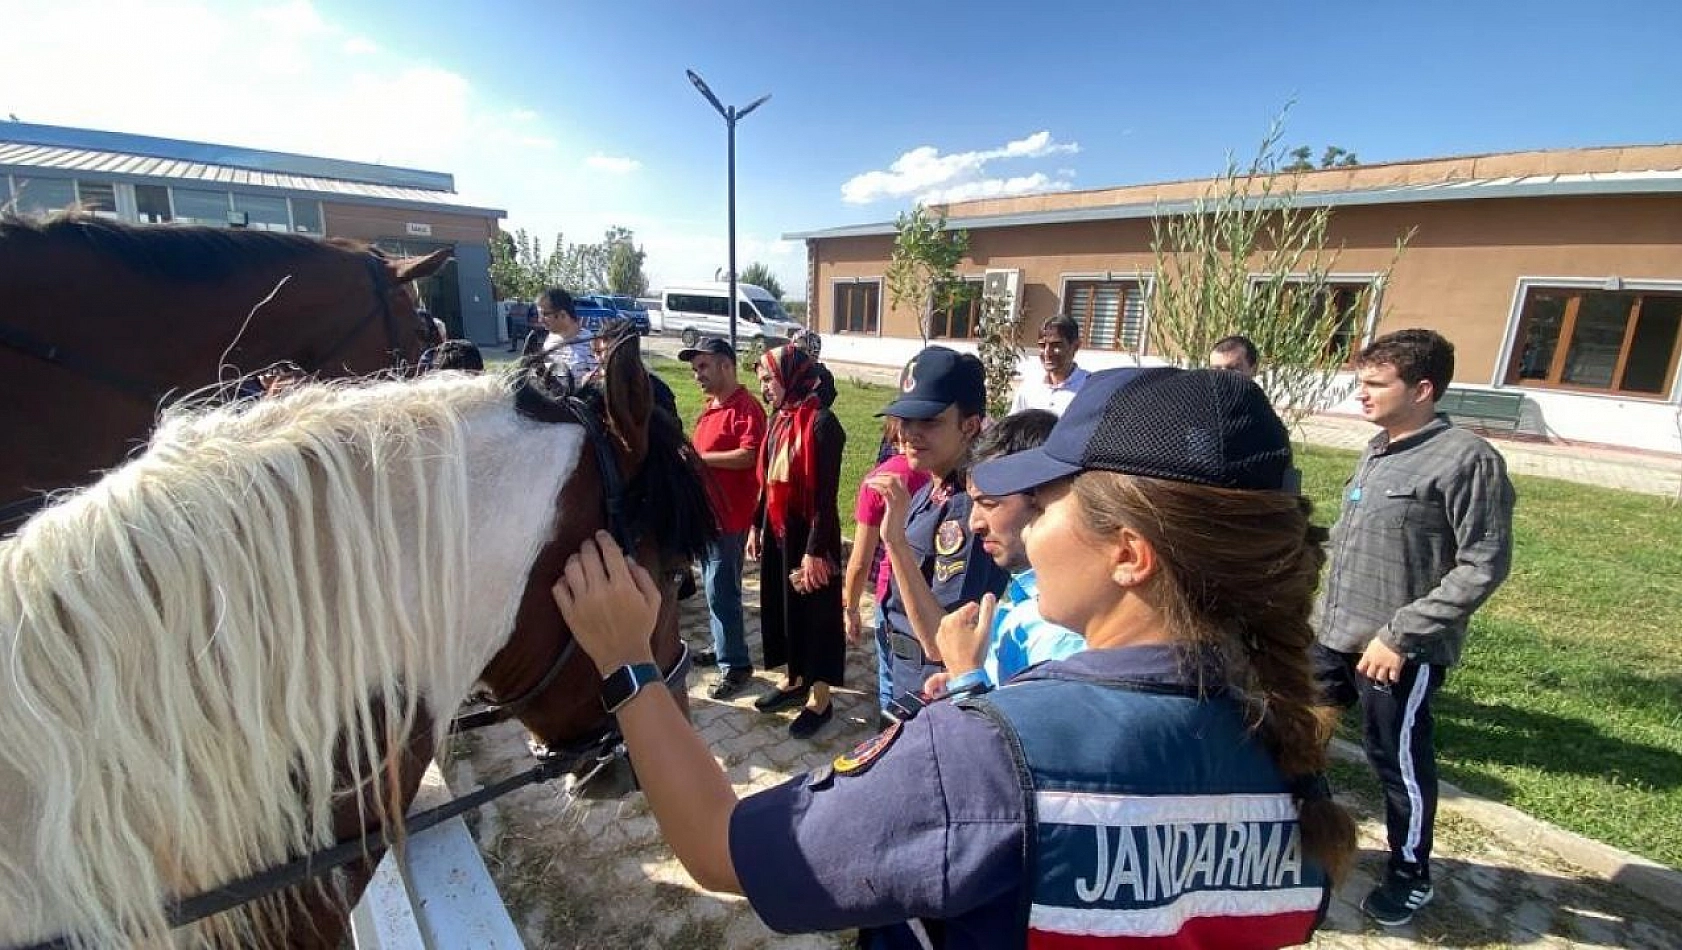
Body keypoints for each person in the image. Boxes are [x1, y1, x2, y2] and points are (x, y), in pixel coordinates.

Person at [545, 365, 1352, 949]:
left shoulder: (986, 752)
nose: (1026, 528)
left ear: (1130, 554)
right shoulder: (1282, 744)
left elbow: (720, 849)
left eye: (1046, 503)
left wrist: (628, 665)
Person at [1313, 328, 1514, 927]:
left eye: (1375, 383)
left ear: (1422, 389)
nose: (1361, 393)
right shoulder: (1378, 448)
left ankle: (1410, 871)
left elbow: (1484, 565)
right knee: (1298, 736)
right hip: (1332, 635)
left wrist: (1401, 633)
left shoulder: (1467, 460)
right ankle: (1304, 839)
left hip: (1399, 651)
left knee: (1395, 760)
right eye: (1361, 381)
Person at [866, 346, 1009, 706]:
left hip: (932, 687)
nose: (910, 433)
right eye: (906, 420)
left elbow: (938, 639)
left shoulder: (968, 511)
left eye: (929, 421)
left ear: (970, 425)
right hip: (903, 668)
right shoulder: (934, 485)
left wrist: (894, 540)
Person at [924, 409, 1084, 696]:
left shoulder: (1061, 634)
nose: (974, 523)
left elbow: (1023, 739)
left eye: (989, 503)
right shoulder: (1027, 597)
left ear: (1043, 500)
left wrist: (966, 681)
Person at [746, 344, 847, 738]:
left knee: (817, 614)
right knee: (784, 608)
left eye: (769, 379)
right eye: (762, 381)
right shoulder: (780, 418)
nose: (765, 388)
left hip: (811, 537)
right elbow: (766, 479)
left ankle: (820, 699)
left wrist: (814, 552)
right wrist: (757, 526)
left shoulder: (823, 424)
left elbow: (826, 496)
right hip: (779, 530)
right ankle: (794, 680)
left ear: (791, 376)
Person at [680, 337, 768, 700]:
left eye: (703, 366)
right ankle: (722, 648)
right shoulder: (711, 406)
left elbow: (750, 455)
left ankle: (736, 666)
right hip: (708, 517)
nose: (697, 374)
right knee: (715, 592)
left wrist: (701, 460)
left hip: (731, 520)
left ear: (726, 365)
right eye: (695, 368)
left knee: (722, 592)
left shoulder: (747, 409)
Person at [841, 419, 931, 725]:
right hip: (935, 591)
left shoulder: (880, 481)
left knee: (891, 679)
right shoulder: (944, 472)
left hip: (893, 594)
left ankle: (886, 741)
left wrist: (851, 608)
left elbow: (859, 560)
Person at [591, 317, 678, 415]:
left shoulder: (658, 390)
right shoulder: (594, 390)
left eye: (606, 351)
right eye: (596, 352)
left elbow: (672, 427)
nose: (600, 358)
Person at [1008, 314, 1089, 415]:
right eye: (1042, 346)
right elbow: (1014, 427)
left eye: (1056, 345)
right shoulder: (1029, 387)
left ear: (1075, 346)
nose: (1047, 353)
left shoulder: (1089, 388)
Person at [529, 288, 597, 380]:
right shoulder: (547, 339)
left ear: (563, 314)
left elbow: (600, 384)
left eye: (544, 314)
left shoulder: (591, 344)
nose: (540, 320)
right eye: (539, 315)